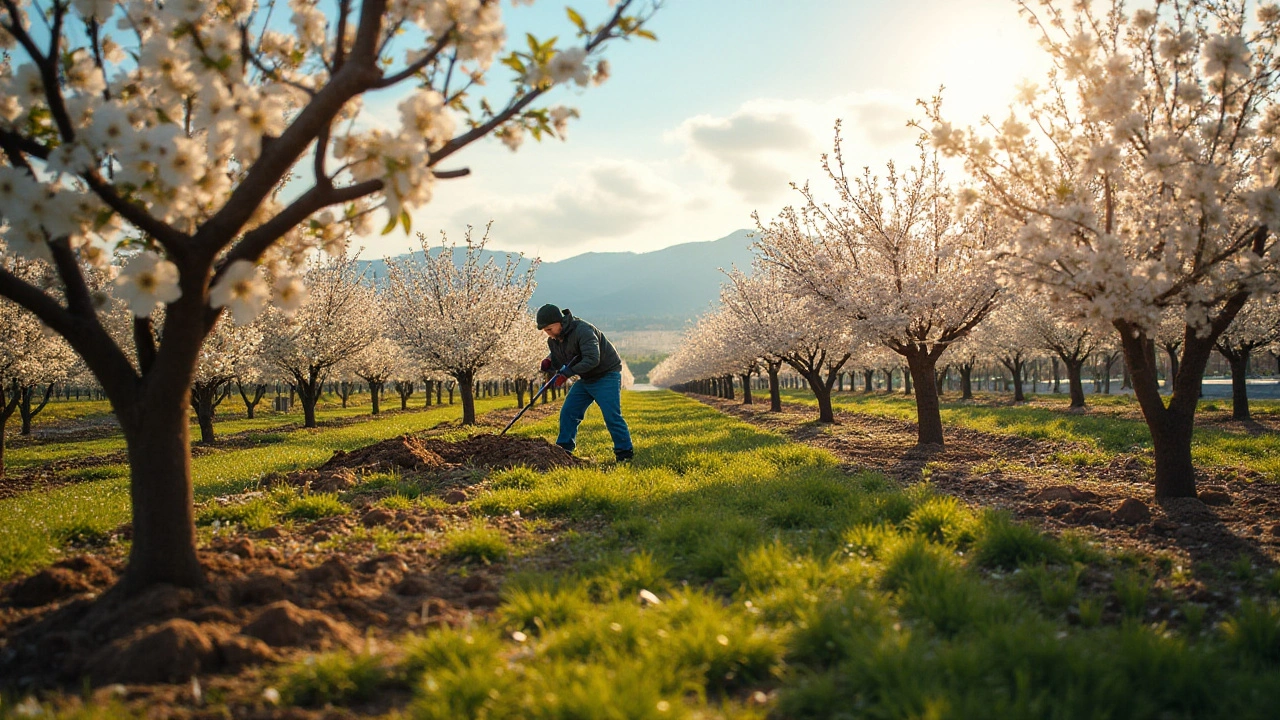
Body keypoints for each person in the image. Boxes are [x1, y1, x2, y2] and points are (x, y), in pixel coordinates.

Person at [537, 303, 634, 462]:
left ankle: (624, 454)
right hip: (586, 378)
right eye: (545, 331)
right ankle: (564, 451)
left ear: (559, 322)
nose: (548, 334)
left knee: (611, 415)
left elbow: (592, 359)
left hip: (606, 375)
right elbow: (559, 359)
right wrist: (549, 363)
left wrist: (566, 374)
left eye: (549, 329)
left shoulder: (583, 330)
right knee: (568, 412)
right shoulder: (554, 340)